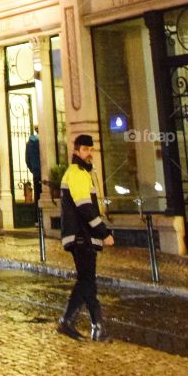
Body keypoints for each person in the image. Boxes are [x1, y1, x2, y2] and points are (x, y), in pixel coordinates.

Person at [57, 133, 113, 341]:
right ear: (76, 151)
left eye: (91, 149)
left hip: (81, 236)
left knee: (87, 281)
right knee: (86, 280)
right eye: (86, 150)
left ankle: (97, 326)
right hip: (82, 236)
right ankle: (68, 321)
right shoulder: (77, 173)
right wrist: (103, 232)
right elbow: (85, 208)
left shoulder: (81, 173)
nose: (89, 153)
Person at [25, 125, 41, 203]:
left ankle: (37, 213)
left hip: (35, 171)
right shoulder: (44, 141)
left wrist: (33, 169)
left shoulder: (29, 143)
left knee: (37, 194)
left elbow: (27, 160)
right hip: (45, 172)